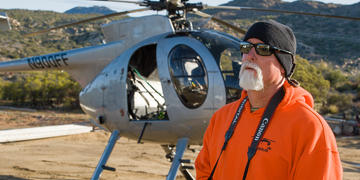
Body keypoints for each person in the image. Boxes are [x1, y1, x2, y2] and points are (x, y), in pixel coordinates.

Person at [195, 20, 342, 180]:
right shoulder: (221, 118)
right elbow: (204, 172)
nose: (249, 56)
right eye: (246, 47)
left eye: (262, 49)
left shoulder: (310, 128)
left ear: (283, 65)